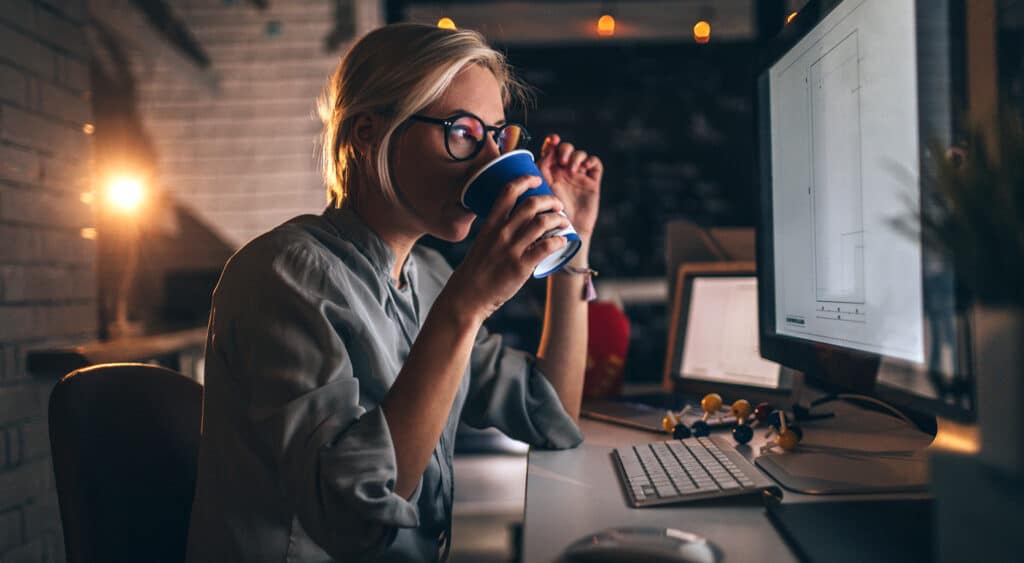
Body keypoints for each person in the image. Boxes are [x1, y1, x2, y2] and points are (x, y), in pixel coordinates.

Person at [185, 22, 603, 563]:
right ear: (367, 133)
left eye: (497, 137)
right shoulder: (281, 274)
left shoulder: (427, 275)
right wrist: (467, 305)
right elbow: (353, 519)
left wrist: (574, 243)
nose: (489, 161)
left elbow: (552, 418)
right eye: (462, 132)